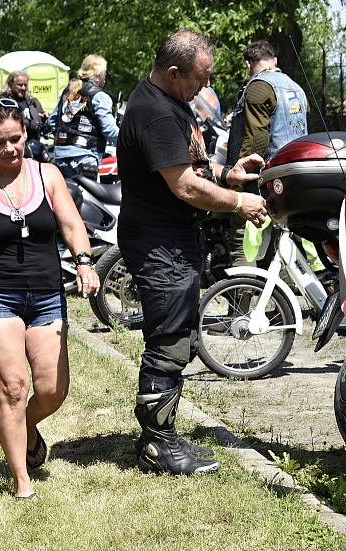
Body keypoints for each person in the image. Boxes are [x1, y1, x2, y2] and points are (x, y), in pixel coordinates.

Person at [116, 29, 267, 475]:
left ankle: (162, 438)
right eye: (201, 78)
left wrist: (228, 174)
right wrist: (241, 202)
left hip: (174, 238)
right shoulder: (155, 112)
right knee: (168, 341)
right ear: (175, 71)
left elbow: (192, 166)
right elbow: (182, 184)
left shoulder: (172, 103)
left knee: (177, 334)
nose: (206, 87)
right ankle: (157, 446)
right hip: (159, 241)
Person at [0, 97, 100, 499]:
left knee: (52, 390)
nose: (9, 149)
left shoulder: (48, 176)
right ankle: (21, 480)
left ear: (26, 134)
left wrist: (85, 263)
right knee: (13, 387)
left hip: (48, 295)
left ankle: (24, 426)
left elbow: (71, 224)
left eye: (15, 139)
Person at [222, 39, 308, 267]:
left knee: (244, 238)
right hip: (295, 176)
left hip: (263, 177)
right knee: (284, 241)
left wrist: (238, 187)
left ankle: (241, 297)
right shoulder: (296, 87)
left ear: (249, 65)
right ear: (275, 61)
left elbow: (256, 139)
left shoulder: (259, 87)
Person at [49, 54, 119, 181]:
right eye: (105, 73)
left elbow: (52, 121)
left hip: (59, 156)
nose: (105, 77)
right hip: (85, 156)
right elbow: (109, 130)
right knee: (88, 199)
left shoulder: (68, 91)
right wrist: (129, 143)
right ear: (99, 74)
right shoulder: (99, 96)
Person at [0, 71, 48, 159]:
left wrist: (45, 118)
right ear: (11, 84)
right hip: (11, 148)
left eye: (25, 85)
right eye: (20, 85)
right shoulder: (2, 102)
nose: (23, 88)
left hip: (34, 145)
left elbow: (42, 122)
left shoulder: (33, 101)